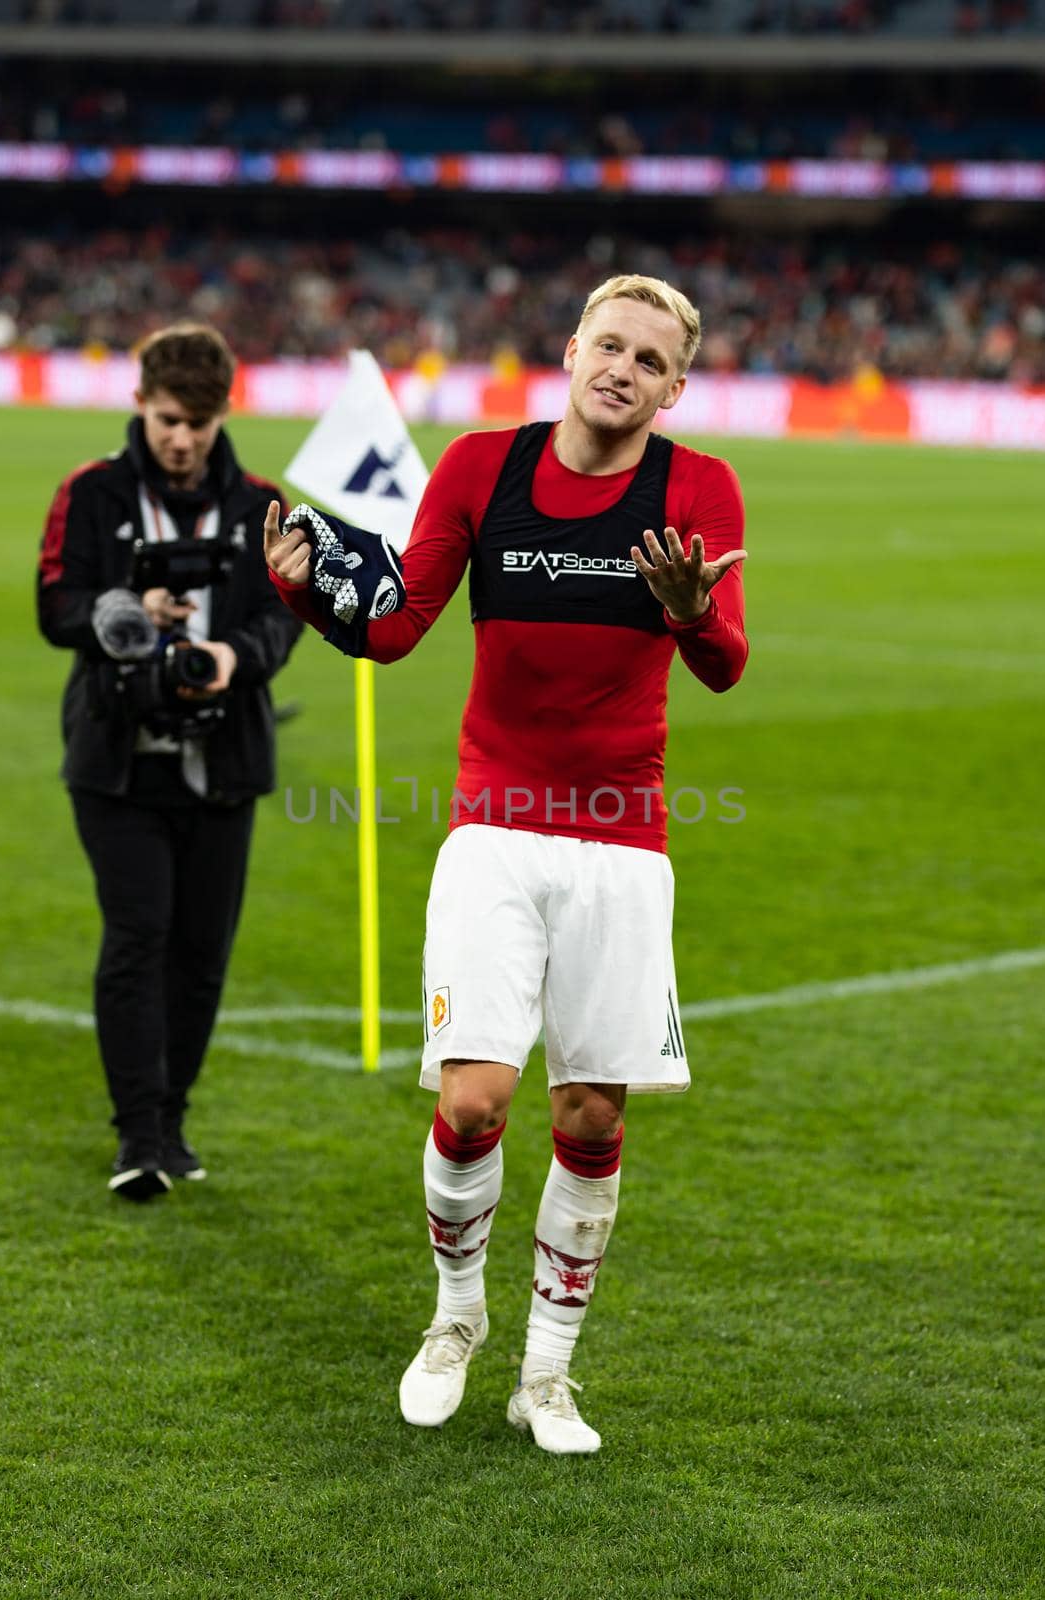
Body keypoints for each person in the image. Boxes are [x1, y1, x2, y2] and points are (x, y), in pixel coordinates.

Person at [265, 274, 748, 1453]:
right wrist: (310, 596)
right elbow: (391, 624)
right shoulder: (481, 466)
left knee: (587, 1117)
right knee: (472, 1099)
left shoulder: (698, 486)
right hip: (493, 824)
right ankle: (454, 1321)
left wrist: (688, 614)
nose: (623, 370)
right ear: (570, 348)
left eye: (650, 360)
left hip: (622, 840)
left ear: (673, 386)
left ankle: (545, 1377)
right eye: (609, 345)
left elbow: (725, 662)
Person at [38, 323, 302, 1201]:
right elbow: (55, 604)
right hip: (116, 760)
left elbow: (285, 613)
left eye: (197, 421)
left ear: (224, 412)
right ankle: (138, 1136)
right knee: (137, 936)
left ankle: (173, 1120)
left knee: (201, 954)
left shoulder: (262, 502)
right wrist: (125, 610)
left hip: (223, 757)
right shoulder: (92, 494)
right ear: (139, 407)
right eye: (166, 421)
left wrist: (234, 658)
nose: (182, 439)